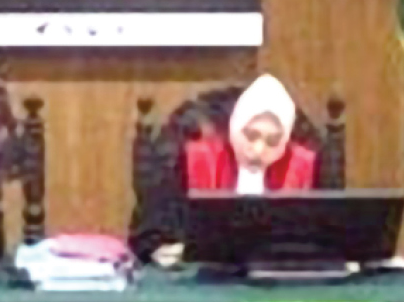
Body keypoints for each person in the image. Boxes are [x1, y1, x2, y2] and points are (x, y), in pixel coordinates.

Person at [131, 73, 320, 263]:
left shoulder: (303, 166)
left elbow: (321, 236)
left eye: (272, 142)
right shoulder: (197, 159)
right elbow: (154, 227)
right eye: (251, 136)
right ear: (235, 127)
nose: (258, 149)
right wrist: (161, 248)